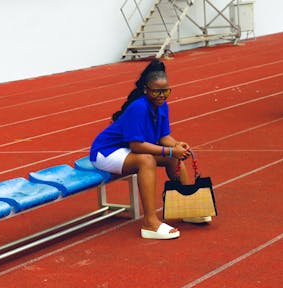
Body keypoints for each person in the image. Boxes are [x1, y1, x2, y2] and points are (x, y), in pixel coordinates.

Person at [89, 60, 211, 240]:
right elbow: (136, 146)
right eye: (156, 91)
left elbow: (163, 137)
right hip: (106, 152)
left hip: (126, 150)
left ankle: (188, 209)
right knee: (146, 160)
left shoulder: (162, 106)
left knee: (173, 159)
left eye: (166, 91)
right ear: (146, 90)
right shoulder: (138, 107)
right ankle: (150, 222)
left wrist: (176, 146)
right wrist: (170, 151)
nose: (162, 95)